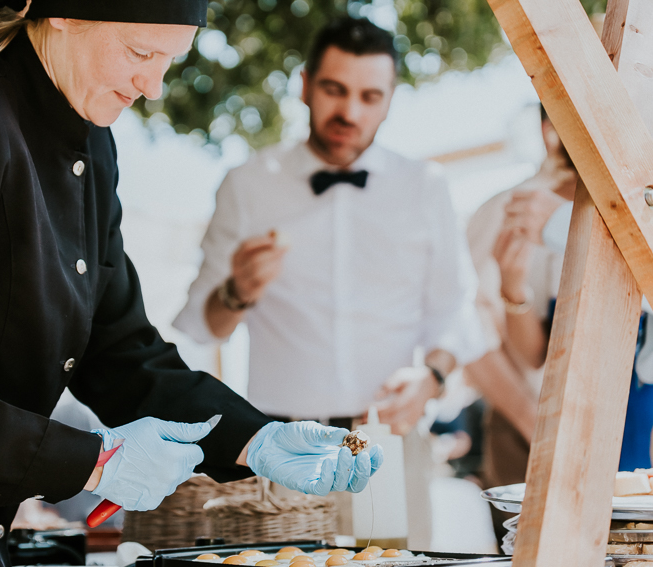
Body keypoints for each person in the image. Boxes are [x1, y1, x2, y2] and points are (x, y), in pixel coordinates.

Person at [0, 2, 383, 565]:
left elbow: (121, 352)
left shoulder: (93, 144)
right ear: (64, 13)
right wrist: (94, 461)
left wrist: (255, 439)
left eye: (169, 61)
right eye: (139, 51)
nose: (152, 85)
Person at [173, 17, 484, 546]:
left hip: (387, 441)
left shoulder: (424, 187)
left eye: (370, 96)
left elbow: (456, 312)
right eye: (335, 90)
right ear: (305, 85)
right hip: (278, 445)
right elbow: (206, 324)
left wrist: (431, 377)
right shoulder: (247, 184)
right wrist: (237, 292)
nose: (350, 112)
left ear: (389, 100)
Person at [464, 105, 653, 544]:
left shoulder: (636, 200)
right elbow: (533, 352)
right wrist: (514, 287)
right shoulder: (517, 208)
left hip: (636, 404)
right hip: (558, 415)